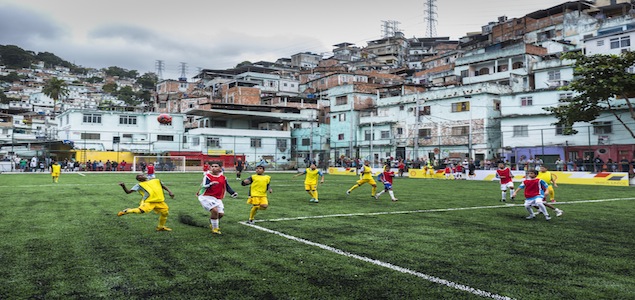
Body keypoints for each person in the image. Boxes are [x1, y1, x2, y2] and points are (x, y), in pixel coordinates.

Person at [197, 163, 238, 235]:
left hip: (217, 198)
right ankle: (215, 229)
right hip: (206, 196)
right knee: (215, 211)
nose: (213, 168)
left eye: (216, 166)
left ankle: (212, 223)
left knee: (220, 214)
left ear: (220, 168)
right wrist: (210, 184)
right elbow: (204, 185)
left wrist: (232, 193)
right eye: (212, 166)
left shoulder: (223, 177)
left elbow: (227, 186)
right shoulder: (207, 176)